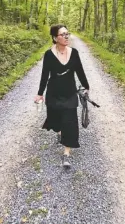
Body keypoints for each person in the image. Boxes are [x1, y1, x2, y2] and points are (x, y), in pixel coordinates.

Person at [35, 24, 90, 168]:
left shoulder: (74, 52)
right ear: (55, 38)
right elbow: (44, 75)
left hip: (70, 93)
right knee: (56, 119)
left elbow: (80, 71)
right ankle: (59, 131)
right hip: (53, 93)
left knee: (70, 121)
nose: (67, 37)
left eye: (67, 34)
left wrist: (86, 86)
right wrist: (40, 93)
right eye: (63, 34)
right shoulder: (48, 55)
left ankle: (66, 154)